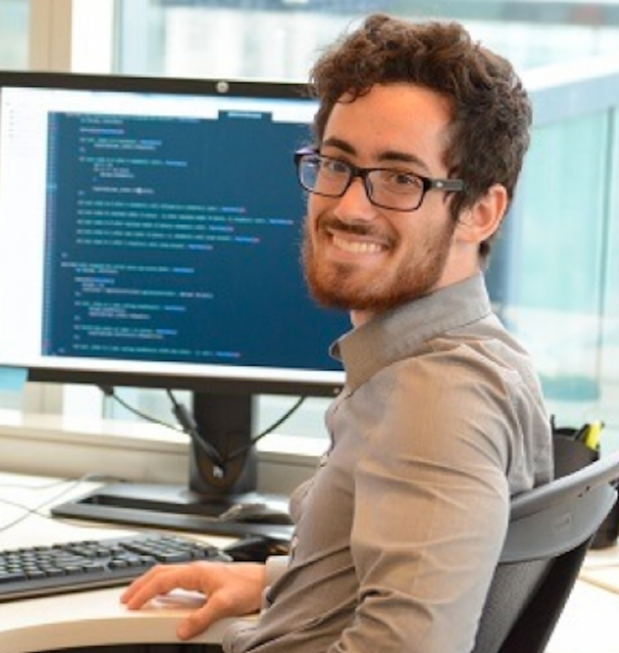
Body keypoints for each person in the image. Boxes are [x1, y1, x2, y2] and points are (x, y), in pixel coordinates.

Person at [120, 13, 553, 653]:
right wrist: (282, 583)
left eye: (401, 178)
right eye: (336, 163)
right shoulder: (475, 356)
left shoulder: (436, 400)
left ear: (480, 212)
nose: (349, 206)